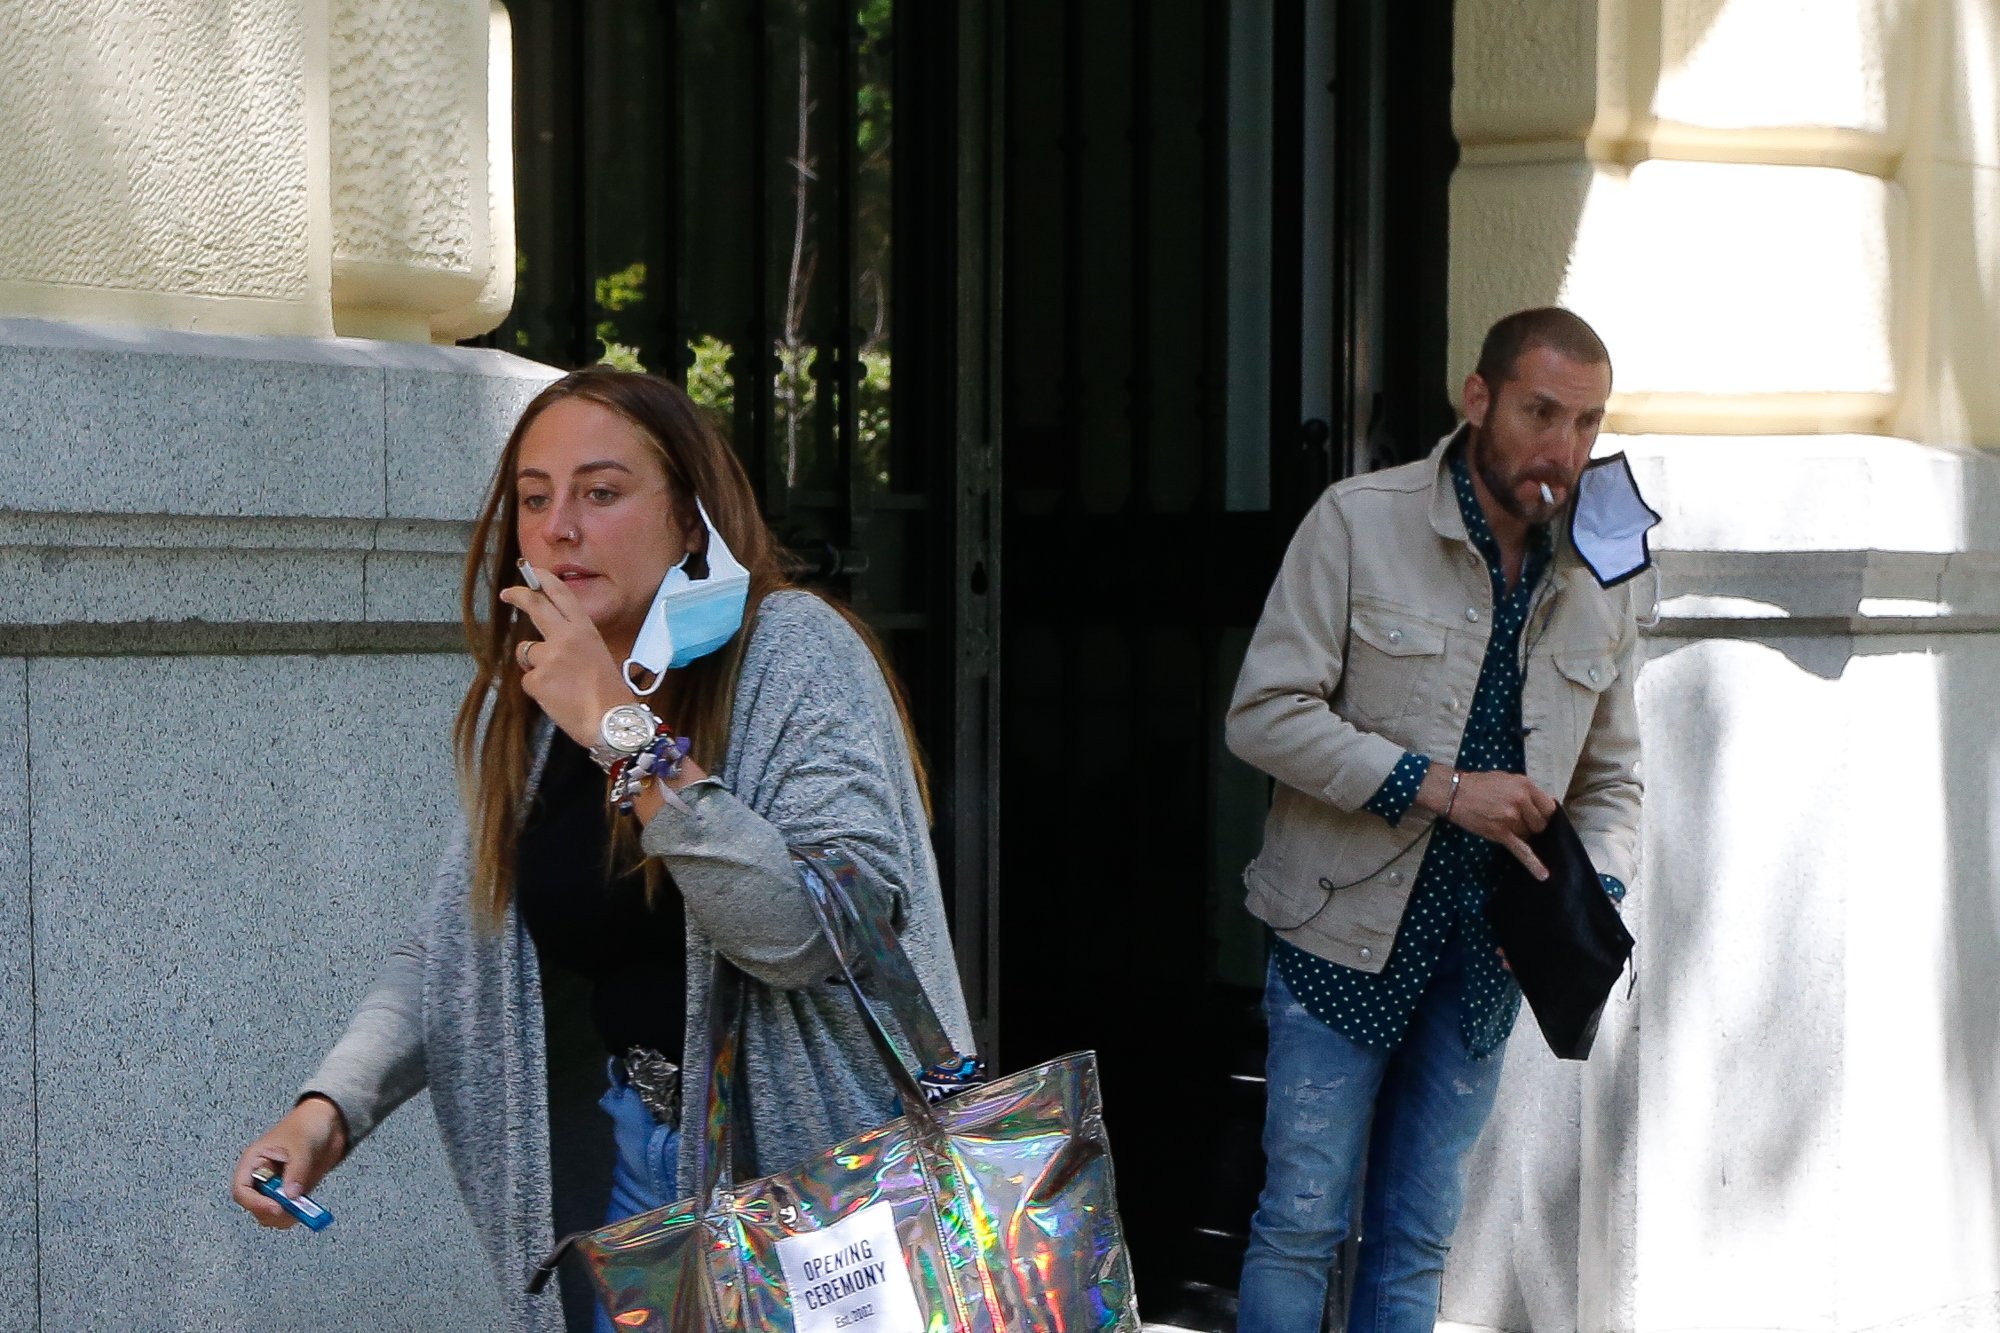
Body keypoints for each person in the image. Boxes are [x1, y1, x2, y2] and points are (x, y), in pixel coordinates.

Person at [230, 367, 975, 1333]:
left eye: (602, 491)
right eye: (534, 498)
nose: (559, 527)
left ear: (690, 516)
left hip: (828, 1194)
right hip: (640, 1167)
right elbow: (456, 948)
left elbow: (808, 935)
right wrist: (326, 1108)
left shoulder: (791, 651)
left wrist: (623, 735)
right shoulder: (541, 708)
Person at [1227, 308, 1643, 1333]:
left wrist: (1584, 903)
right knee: (1299, 1223)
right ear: (1477, 398)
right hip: (1337, 933)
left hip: (1486, 962)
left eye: (1586, 423)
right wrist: (1440, 785)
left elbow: (1613, 778)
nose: (1564, 448)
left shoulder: (1604, 565)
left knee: (1416, 1241)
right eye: (1541, 412)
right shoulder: (1357, 521)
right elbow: (1262, 715)